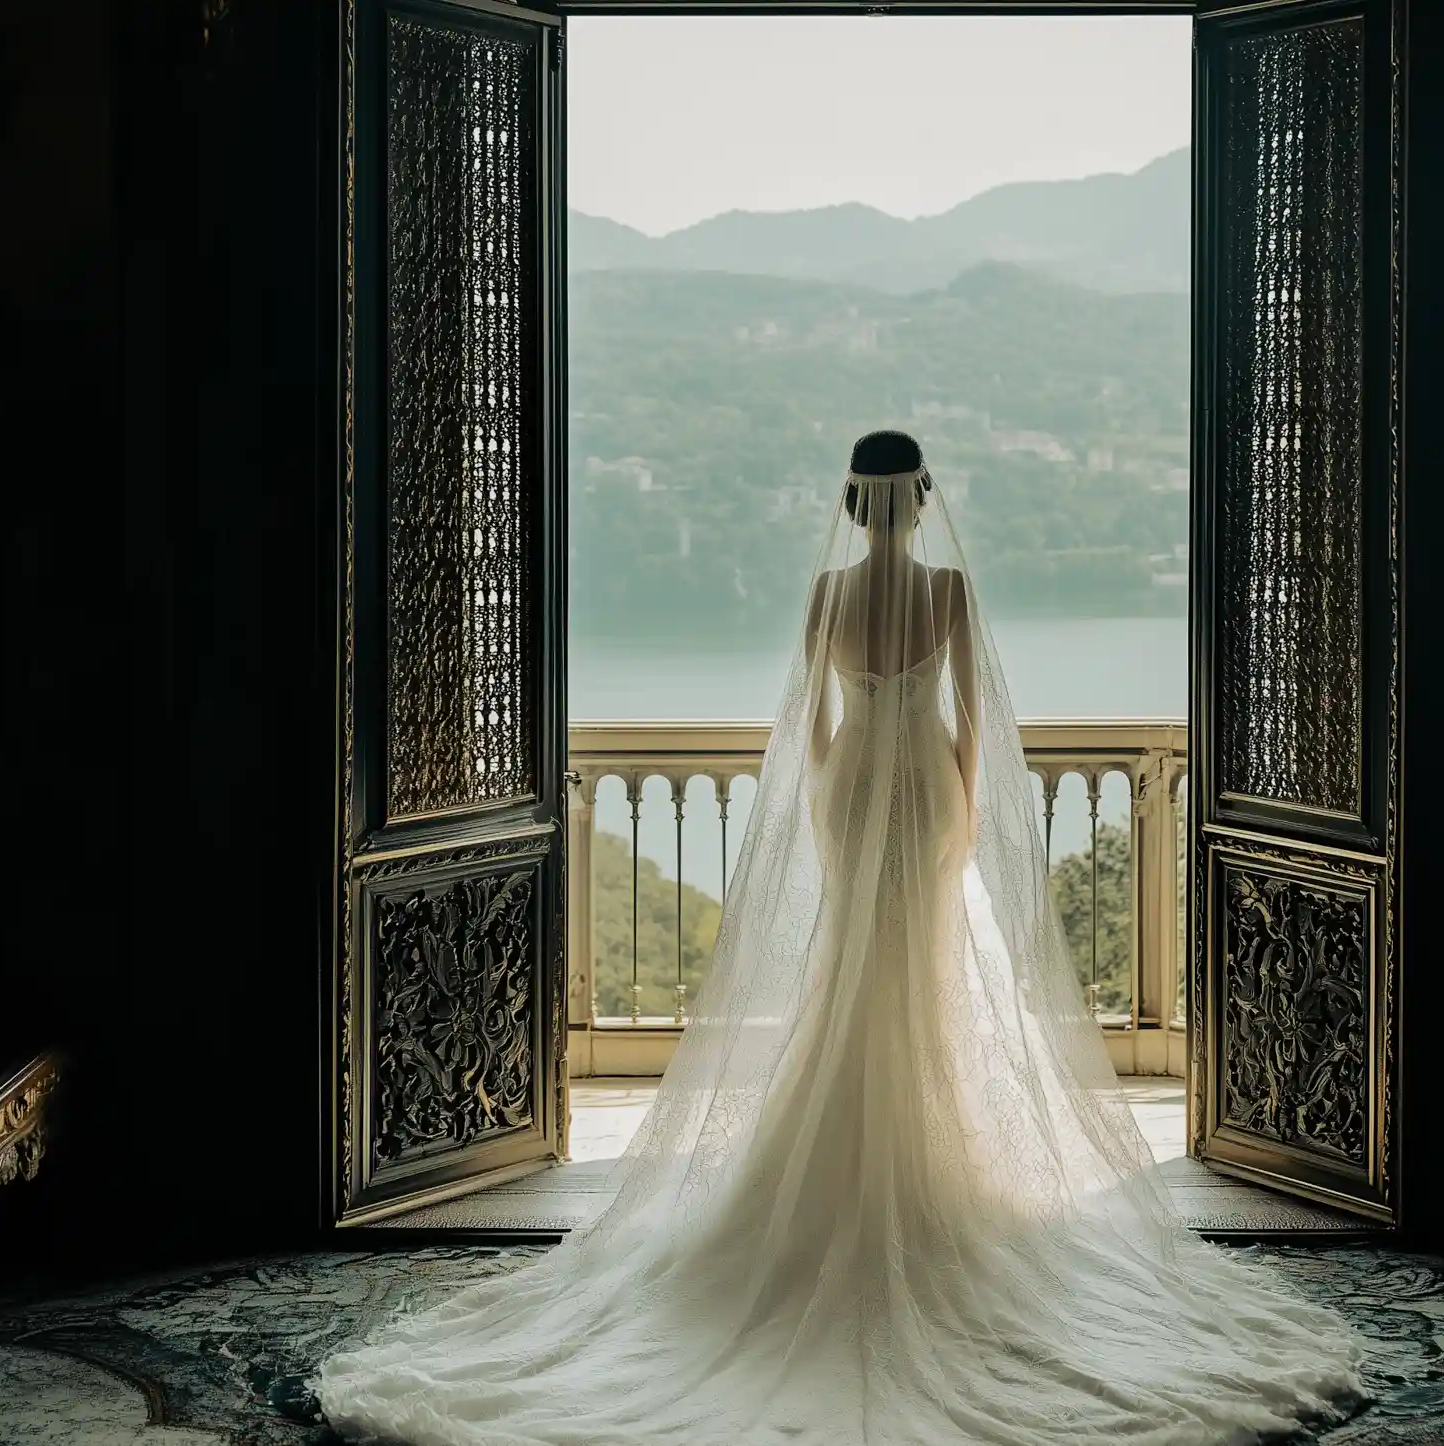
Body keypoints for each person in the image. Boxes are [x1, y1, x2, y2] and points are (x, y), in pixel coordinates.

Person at [317, 431, 1366, 1445]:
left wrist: (827, 808)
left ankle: (842, 1155)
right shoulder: (948, 592)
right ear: (921, 500)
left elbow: (812, 725)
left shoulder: (828, 594)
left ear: (856, 505)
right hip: (926, 787)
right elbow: (971, 722)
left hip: (857, 783)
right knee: (926, 968)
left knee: (847, 974)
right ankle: (931, 1163)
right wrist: (961, 816)